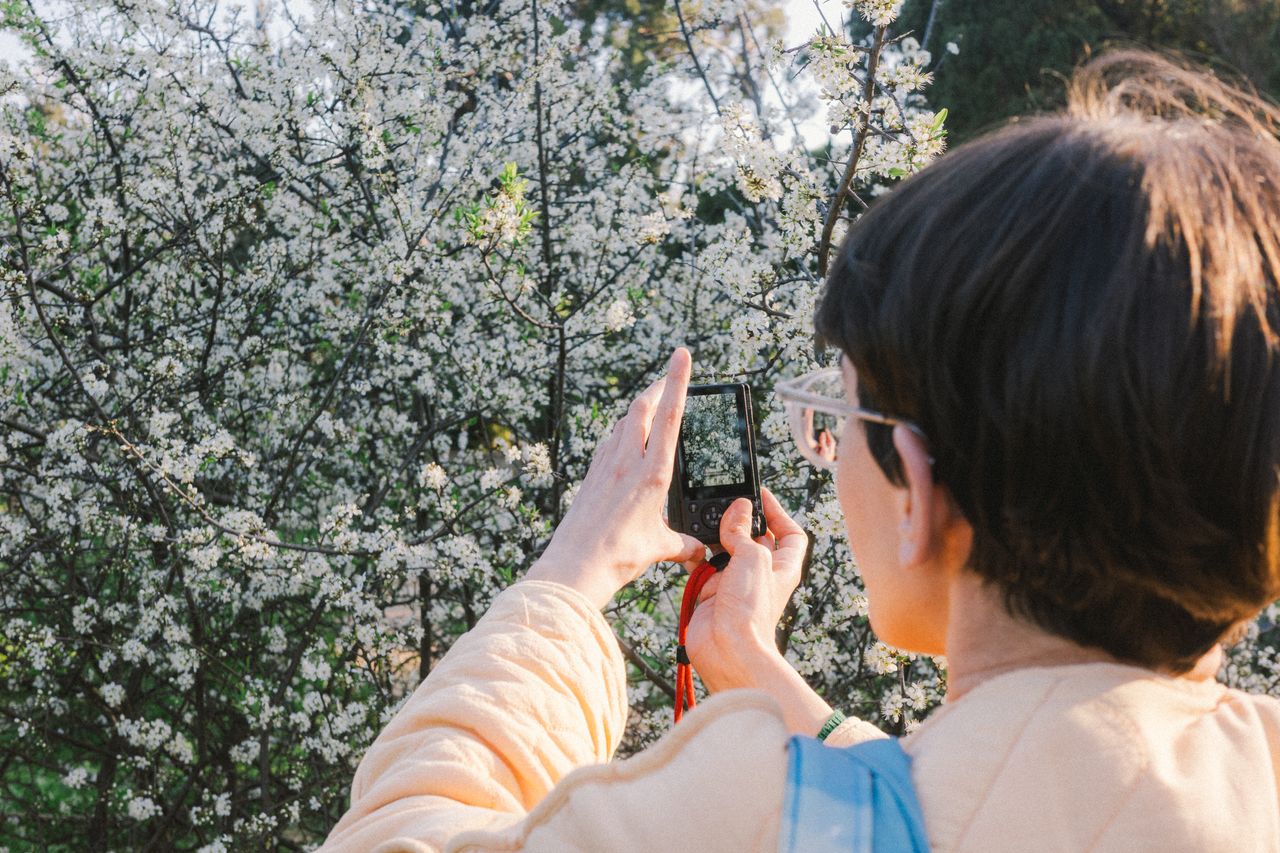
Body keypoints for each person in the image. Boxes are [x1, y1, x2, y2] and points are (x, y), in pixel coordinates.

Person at [322, 50, 1280, 852]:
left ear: (922, 490)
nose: (828, 454)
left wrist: (570, 580)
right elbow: (1021, 795)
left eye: (839, 414)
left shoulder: (746, 809)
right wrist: (759, 669)